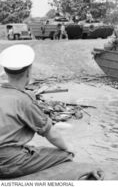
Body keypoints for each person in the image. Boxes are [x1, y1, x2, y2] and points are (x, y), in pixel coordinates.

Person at [0, 45, 74, 178]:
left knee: (32, 147)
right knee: (65, 156)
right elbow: (51, 134)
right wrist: (67, 148)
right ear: (28, 72)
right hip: (8, 163)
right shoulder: (24, 99)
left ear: (5, 71)